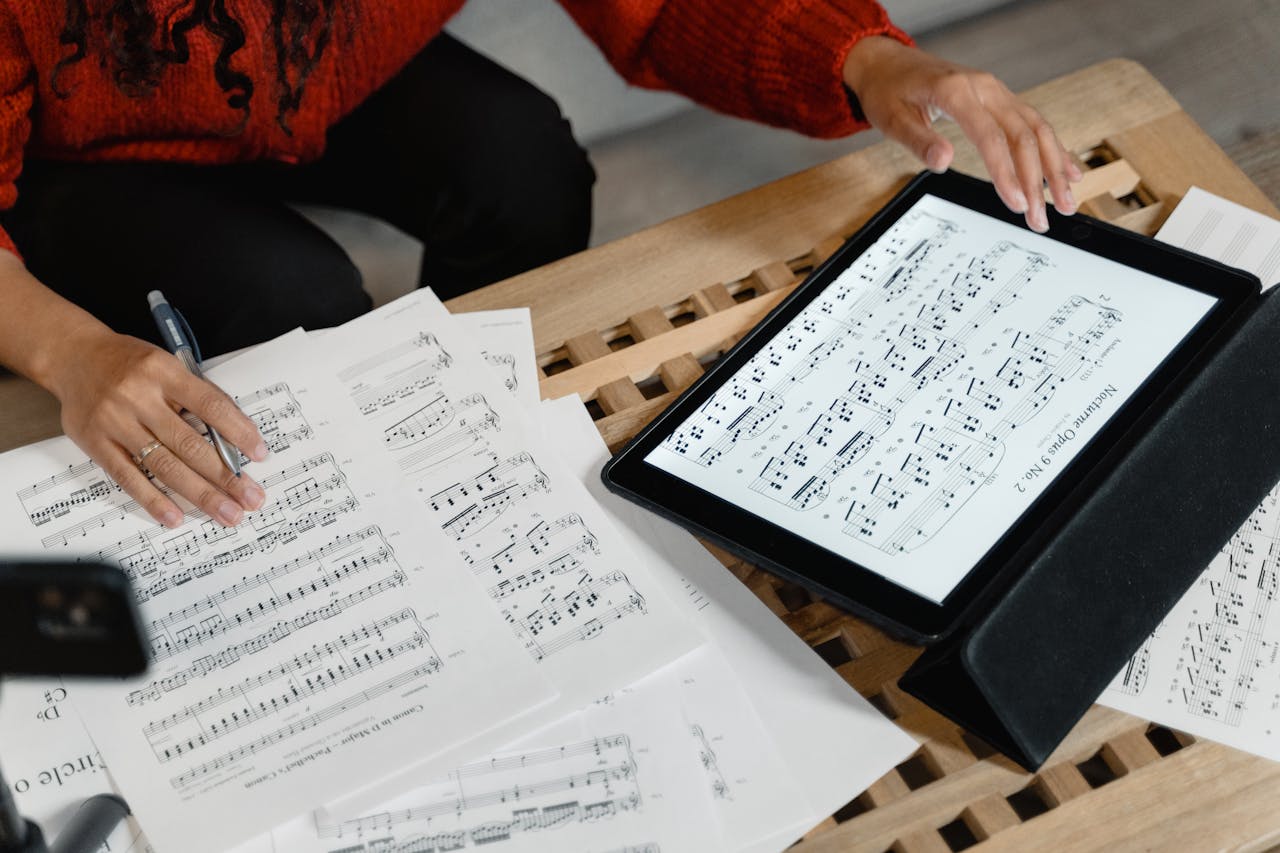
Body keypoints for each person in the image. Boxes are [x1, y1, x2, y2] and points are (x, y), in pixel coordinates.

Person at [0, 1, 1080, 531]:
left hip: (320, 57)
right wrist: (68, 348)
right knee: (293, 301)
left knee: (521, 166)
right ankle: (344, 527)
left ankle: (480, 443)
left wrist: (871, 57)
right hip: (58, 144)